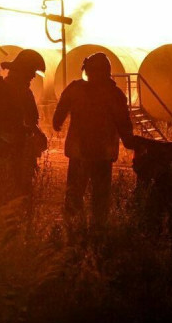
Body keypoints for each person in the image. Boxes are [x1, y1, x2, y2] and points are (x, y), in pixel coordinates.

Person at [53, 52, 135, 234]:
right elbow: (124, 123)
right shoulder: (114, 94)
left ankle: (72, 232)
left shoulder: (75, 89)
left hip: (79, 152)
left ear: (87, 71)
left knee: (74, 195)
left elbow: (58, 115)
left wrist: (57, 123)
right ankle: (98, 232)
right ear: (107, 71)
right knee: (100, 198)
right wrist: (132, 143)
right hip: (102, 154)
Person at [0, 51, 47, 214]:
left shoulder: (3, 91)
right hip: (9, 150)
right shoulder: (5, 91)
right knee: (13, 195)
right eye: (31, 72)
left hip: (9, 151)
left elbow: (22, 121)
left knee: (8, 195)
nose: (33, 76)